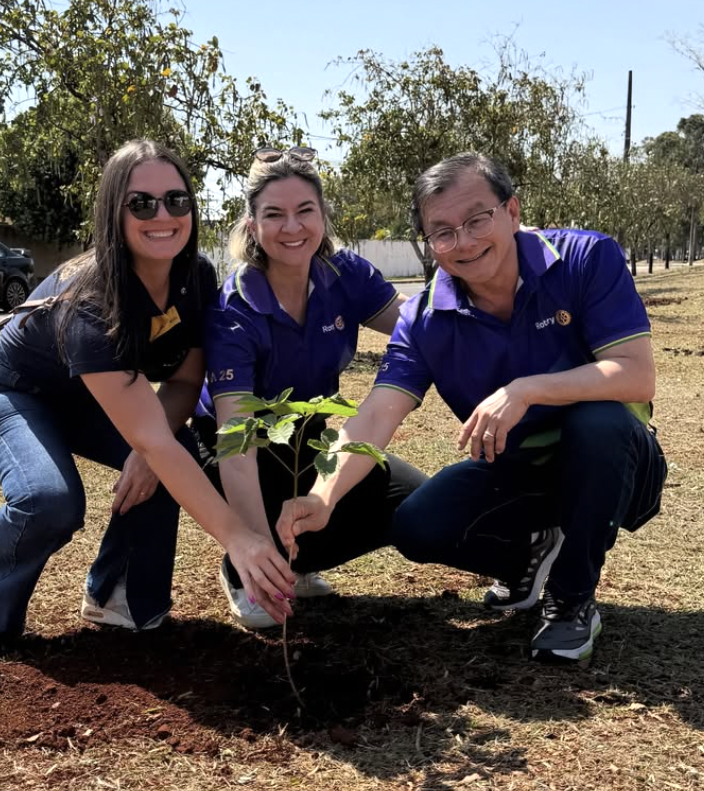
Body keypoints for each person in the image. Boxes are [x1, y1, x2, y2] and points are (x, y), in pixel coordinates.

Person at [277, 152, 667, 663]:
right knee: (417, 525)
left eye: (477, 219)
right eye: (442, 231)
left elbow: (636, 374)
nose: (463, 242)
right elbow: (376, 414)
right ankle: (530, 555)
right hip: (518, 470)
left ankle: (571, 599)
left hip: (616, 463)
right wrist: (325, 496)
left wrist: (525, 389)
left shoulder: (584, 258)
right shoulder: (422, 320)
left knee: (598, 423)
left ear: (512, 211)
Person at [0, 139, 297, 651]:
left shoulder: (195, 279)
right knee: (50, 499)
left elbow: (184, 383)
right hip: (11, 394)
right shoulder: (93, 301)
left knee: (165, 458)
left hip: (97, 398)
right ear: (113, 212)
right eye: (142, 203)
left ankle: (116, 597)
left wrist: (148, 448)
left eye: (177, 201)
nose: (162, 215)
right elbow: (155, 437)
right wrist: (240, 540)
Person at [194, 146, 427, 630]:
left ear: (323, 215)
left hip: (309, 435)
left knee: (414, 503)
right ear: (252, 225)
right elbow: (235, 440)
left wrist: (477, 291)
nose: (293, 227)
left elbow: (418, 323)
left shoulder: (345, 275)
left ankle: (293, 560)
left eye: (305, 211)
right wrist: (253, 546)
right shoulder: (233, 310)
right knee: (271, 494)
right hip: (239, 446)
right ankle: (246, 568)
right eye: (274, 214)